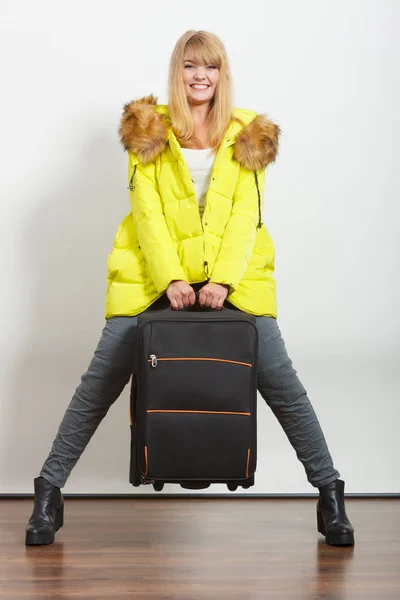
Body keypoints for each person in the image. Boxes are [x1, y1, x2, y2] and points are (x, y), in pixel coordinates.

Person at [25, 29, 354, 547]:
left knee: (281, 381)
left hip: (235, 280)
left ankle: (330, 492)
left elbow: (247, 217)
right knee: (101, 378)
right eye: (190, 66)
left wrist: (221, 280)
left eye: (211, 66)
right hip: (153, 277)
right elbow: (148, 215)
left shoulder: (250, 135)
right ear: (177, 72)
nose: (201, 76)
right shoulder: (148, 130)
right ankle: (49, 491)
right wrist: (172, 278)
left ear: (222, 73)